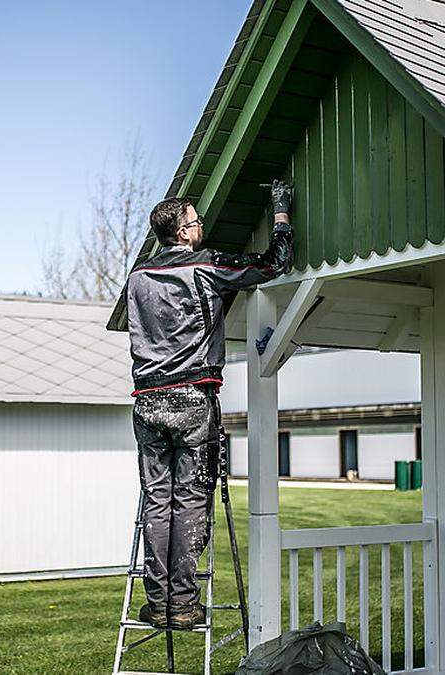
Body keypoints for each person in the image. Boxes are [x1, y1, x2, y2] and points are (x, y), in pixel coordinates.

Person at [125, 181, 294, 630]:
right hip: (191, 399)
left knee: (157, 501)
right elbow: (274, 264)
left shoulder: (137, 276)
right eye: (196, 222)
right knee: (191, 500)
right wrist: (280, 213)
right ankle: (182, 605)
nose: (201, 227)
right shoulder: (204, 265)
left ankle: (157, 602)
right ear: (181, 233)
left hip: (146, 400)